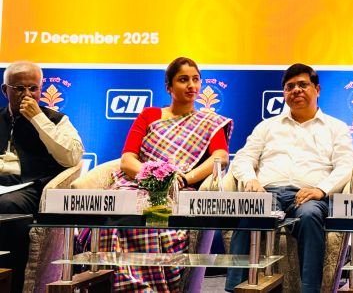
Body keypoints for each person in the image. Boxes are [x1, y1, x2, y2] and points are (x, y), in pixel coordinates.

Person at [98, 56, 232, 292]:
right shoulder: (150, 115)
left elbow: (220, 157)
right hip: (138, 183)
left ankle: (150, 287)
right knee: (120, 217)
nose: (191, 85)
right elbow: (128, 160)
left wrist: (182, 178)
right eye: (183, 80)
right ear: (169, 86)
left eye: (195, 79)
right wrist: (154, 176)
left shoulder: (210, 123)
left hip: (178, 189)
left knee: (155, 221)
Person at [225, 63, 353, 293]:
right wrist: (250, 180)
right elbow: (243, 158)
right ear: (284, 93)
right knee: (252, 209)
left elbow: (346, 165)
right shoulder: (268, 126)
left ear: (317, 89)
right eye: (290, 86)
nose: (296, 90)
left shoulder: (336, 127)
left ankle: (310, 290)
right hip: (268, 193)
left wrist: (321, 190)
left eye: (303, 85)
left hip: (309, 196)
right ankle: (236, 287)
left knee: (310, 215)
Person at [0, 61, 84, 293]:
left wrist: (39, 120)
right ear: (5, 90)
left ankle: (11, 283)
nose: (27, 94)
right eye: (19, 88)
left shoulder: (56, 119)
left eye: (33, 88)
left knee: (7, 206)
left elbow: (72, 157)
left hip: (32, 187)